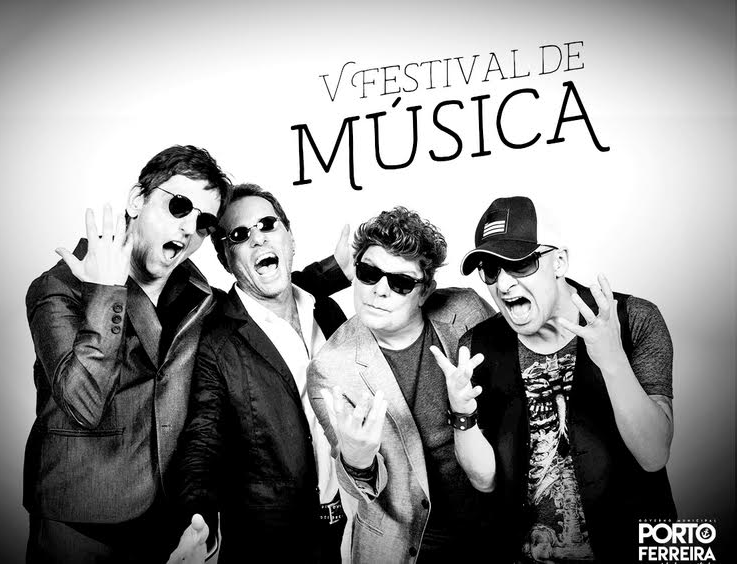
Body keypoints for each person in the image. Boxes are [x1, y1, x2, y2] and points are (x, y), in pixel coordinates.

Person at [24, 147, 349, 563]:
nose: (188, 228)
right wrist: (106, 292)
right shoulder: (58, 287)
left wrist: (336, 272)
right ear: (137, 200)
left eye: (203, 221)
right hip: (81, 520)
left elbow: (260, 298)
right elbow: (83, 402)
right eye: (178, 206)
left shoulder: (196, 294)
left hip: (167, 518)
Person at [458, 196, 676, 563]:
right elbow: (485, 481)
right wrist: (461, 414)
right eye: (491, 269)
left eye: (521, 263)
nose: (504, 283)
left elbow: (654, 455)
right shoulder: (477, 348)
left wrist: (613, 361)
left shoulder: (634, 319)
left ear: (559, 261)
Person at [173, 184, 351, 563]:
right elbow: (202, 441)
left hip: (353, 530)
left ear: (289, 237)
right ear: (226, 260)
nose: (257, 239)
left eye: (267, 225)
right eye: (240, 235)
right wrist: (196, 518)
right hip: (274, 548)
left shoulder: (328, 312)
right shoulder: (216, 341)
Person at [307, 207, 496, 563]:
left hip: (493, 525)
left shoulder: (466, 311)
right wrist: (357, 458)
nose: (379, 291)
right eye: (369, 273)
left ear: (424, 292)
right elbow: (362, 489)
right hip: (404, 545)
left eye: (401, 283)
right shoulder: (330, 369)